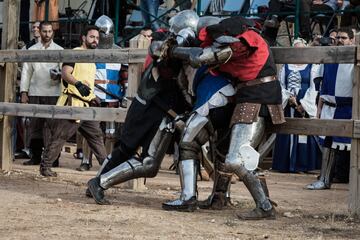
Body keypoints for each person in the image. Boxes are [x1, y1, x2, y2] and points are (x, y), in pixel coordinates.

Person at [163, 16, 284, 219]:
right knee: (229, 153)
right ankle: (220, 197)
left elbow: (200, 58)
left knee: (237, 159)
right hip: (247, 98)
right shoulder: (248, 39)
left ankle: (264, 207)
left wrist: (173, 50)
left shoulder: (243, 41)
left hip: (258, 98)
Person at [86, 12, 197, 205]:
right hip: (150, 108)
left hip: (158, 109)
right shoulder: (164, 43)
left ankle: (97, 183)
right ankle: (98, 182)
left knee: (137, 154)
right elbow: (158, 51)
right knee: (135, 154)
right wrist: (188, 52)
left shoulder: (176, 47)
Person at [39, 25, 107, 177]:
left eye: (97, 37)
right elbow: (65, 73)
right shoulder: (75, 54)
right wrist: (77, 84)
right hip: (72, 103)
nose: (95, 40)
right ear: (84, 38)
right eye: (92, 37)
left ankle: (108, 168)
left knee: (96, 137)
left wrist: (92, 97)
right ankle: (46, 166)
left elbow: (86, 81)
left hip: (86, 105)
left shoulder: (92, 59)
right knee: (60, 135)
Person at [77, 15, 127, 171]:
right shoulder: (90, 51)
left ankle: (108, 162)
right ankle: (86, 160)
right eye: (102, 32)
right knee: (90, 129)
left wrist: (124, 94)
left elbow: (124, 76)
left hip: (113, 94)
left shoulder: (119, 52)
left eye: (108, 31)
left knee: (111, 133)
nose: (106, 34)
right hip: (94, 94)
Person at [306, 27, 354, 190]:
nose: (340, 40)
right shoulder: (327, 59)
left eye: (344, 38)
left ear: (351, 40)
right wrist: (318, 111)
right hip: (328, 108)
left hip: (348, 109)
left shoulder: (356, 60)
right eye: (338, 37)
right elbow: (321, 89)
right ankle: (325, 179)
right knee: (327, 147)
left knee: (354, 148)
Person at [272, 38, 322, 173]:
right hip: (289, 102)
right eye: (296, 50)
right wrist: (288, 98)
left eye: (301, 49)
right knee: (287, 130)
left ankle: (303, 165)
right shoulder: (285, 67)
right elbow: (280, 85)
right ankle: (285, 164)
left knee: (304, 131)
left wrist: (303, 105)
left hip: (304, 100)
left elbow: (314, 88)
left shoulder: (312, 67)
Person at [20, 21, 63, 166]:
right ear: (40, 31)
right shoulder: (32, 49)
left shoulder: (59, 50)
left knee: (54, 127)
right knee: (35, 127)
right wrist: (24, 92)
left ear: (53, 32)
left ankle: (53, 159)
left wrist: (59, 77)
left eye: (49, 31)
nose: (47, 34)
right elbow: (26, 73)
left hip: (54, 92)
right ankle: (36, 157)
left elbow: (65, 72)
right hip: (35, 91)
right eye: (44, 31)